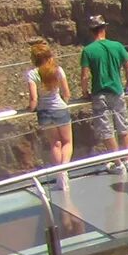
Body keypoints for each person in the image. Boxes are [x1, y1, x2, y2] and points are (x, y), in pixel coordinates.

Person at [77, 15, 128, 171]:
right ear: (104, 28)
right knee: (123, 124)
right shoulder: (117, 46)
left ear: (91, 31)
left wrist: (85, 92)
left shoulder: (88, 51)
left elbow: (85, 76)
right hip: (117, 91)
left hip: (99, 94)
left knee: (106, 129)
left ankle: (118, 164)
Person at [24, 41, 73, 189]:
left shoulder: (32, 74)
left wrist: (30, 109)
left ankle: (60, 175)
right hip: (60, 109)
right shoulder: (58, 70)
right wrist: (65, 101)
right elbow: (66, 93)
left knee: (55, 144)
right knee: (67, 142)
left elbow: (34, 99)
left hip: (44, 112)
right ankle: (64, 170)